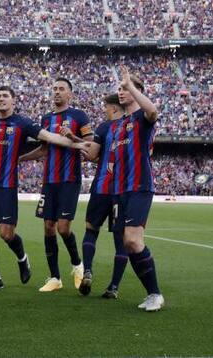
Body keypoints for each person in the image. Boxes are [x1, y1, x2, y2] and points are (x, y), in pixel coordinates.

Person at [0, 86, 87, 291]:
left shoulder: (23, 123)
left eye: (5, 96)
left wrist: (76, 144)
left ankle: (22, 257)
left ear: (13, 101)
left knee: (6, 234)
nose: (1, 99)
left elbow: (49, 138)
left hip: (7, 187)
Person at [83, 68, 163, 311]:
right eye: (119, 89)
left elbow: (152, 111)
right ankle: (151, 293)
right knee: (128, 243)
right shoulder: (118, 125)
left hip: (139, 186)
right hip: (119, 190)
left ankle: (155, 293)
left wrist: (132, 87)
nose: (121, 92)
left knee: (132, 240)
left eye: (125, 89)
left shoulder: (141, 119)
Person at [19, 77, 91, 292]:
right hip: (49, 181)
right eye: (55, 89)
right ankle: (54, 278)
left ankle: (77, 265)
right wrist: (20, 158)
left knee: (63, 227)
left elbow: (90, 145)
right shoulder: (46, 118)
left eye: (61, 89)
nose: (57, 92)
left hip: (69, 180)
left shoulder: (79, 116)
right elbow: (43, 149)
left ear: (70, 93)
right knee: (48, 227)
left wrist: (72, 137)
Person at [79, 93, 129, 298]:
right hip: (123, 190)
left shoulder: (103, 127)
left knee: (91, 230)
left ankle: (88, 270)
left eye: (106, 107)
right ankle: (114, 287)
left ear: (114, 108)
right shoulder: (132, 125)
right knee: (121, 239)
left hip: (101, 187)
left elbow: (91, 155)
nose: (104, 110)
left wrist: (77, 146)